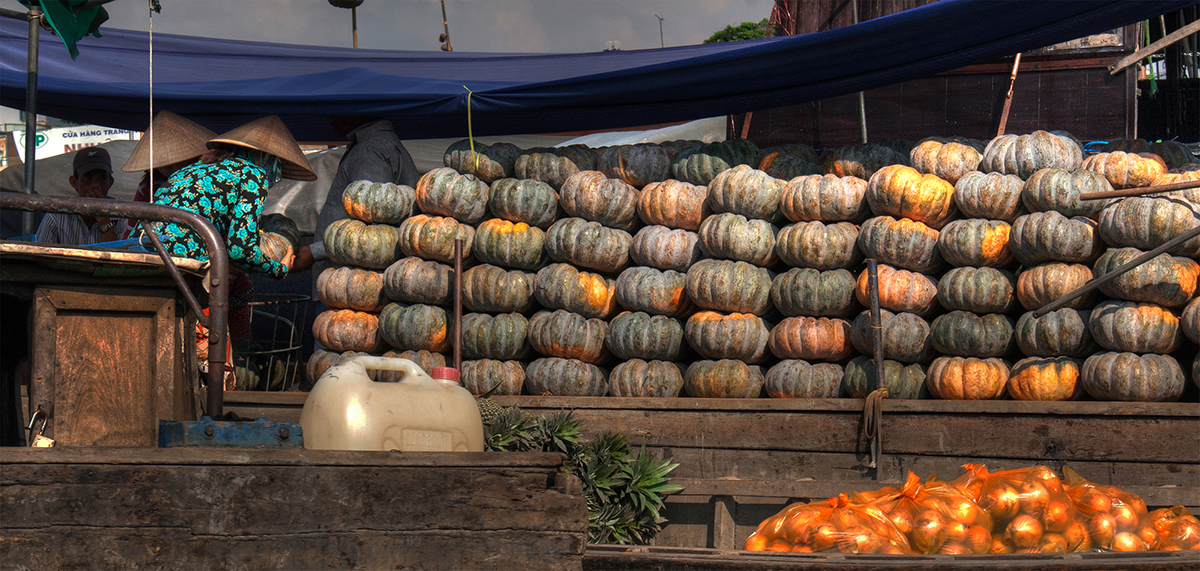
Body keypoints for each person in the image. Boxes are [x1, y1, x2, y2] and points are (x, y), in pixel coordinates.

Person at [154, 114, 315, 278]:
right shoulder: (252, 174)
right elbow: (240, 250)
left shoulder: (189, 170)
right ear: (265, 157)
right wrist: (278, 269)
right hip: (179, 261)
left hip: (142, 250)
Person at [292, 116, 418, 272]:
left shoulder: (370, 150)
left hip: (351, 275)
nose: (331, 121)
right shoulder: (379, 143)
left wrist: (314, 252)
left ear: (359, 111)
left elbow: (372, 228)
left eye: (338, 111)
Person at [35, 147, 131, 245]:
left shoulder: (123, 216)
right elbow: (40, 256)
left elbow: (122, 257)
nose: (95, 185)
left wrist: (104, 221)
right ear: (74, 182)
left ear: (110, 182)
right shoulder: (56, 216)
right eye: (88, 178)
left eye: (102, 178)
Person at [122, 110, 216, 204]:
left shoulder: (208, 179)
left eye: (170, 162)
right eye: (159, 162)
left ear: (190, 158)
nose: (164, 168)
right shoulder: (149, 185)